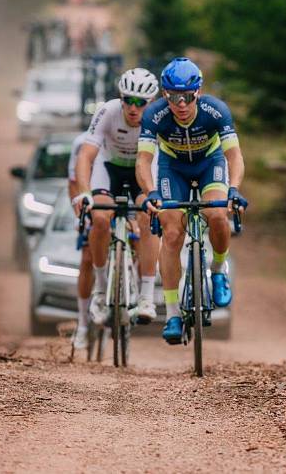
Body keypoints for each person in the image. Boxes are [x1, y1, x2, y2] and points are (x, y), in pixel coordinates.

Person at [137, 57, 247, 344]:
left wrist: (233, 188)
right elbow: (144, 160)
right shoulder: (154, 116)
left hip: (209, 163)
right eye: (174, 97)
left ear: (197, 92)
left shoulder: (216, 110)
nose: (181, 104)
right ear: (165, 95)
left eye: (187, 96)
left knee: (218, 213)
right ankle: (173, 313)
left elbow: (234, 155)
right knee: (171, 234)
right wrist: (150, 192)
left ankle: (218, 269)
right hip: (172, 168)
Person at [73, 68, 162, 326]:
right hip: (108, 168)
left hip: (141, 171)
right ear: (120, 97)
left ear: (151, 102)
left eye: (140, 102)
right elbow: (86, 155)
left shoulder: (157, 119)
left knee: (147, 217)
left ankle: (146, 297)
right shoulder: (109, 111)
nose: (133, 108)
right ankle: (101, 290)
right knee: (100, 218)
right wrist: (84, 193)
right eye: (128, 100)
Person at [67, 130, 95, 349]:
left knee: (138, 239)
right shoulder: (81, 143)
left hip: (122, 196)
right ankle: (83, 323)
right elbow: (73, 183)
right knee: (87, 258)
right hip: (91, 201)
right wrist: (81, 216)